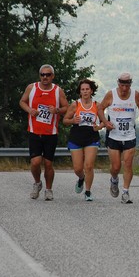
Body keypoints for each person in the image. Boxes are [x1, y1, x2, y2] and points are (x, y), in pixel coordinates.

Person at [98, 72, 139, 204]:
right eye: (122, 85)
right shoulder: (111, 94)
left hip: (129, 135)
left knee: (127, 164)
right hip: (114, 136)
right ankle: (114, 179)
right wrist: (105, 122)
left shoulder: (135, 95)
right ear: (118, 84)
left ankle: (125, 192)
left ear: (130, 85)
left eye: (127, 86)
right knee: (115, 167)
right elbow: (100, 108)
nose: (124, 89)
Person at [19, 64, 68, 201]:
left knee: (48, 164)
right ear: (39, 75)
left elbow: (67, 107)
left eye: (48, 75)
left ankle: (48, 189)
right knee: (35, 162)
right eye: (42, 75)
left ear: (52, 76)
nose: (45, 77)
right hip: (34, 131)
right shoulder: (32, 88)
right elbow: (22, 101)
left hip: (50, 133)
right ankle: (37, 183)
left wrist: (57, 110)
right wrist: (29, 110)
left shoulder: (58, 91)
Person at [62, 79, 105, 201]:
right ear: (80, 92)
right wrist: (72, 121)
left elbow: (103, 121)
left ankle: (88, 192)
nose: (85, 91)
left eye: (87, 89)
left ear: (91, 91)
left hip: (91, 137)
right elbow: (65, 120)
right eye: (83, 89)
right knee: (78, 168)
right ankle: (81, 178)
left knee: (89, 166)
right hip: (76, 137)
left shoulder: (97, 105)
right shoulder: (75, 104)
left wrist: (100, 126)